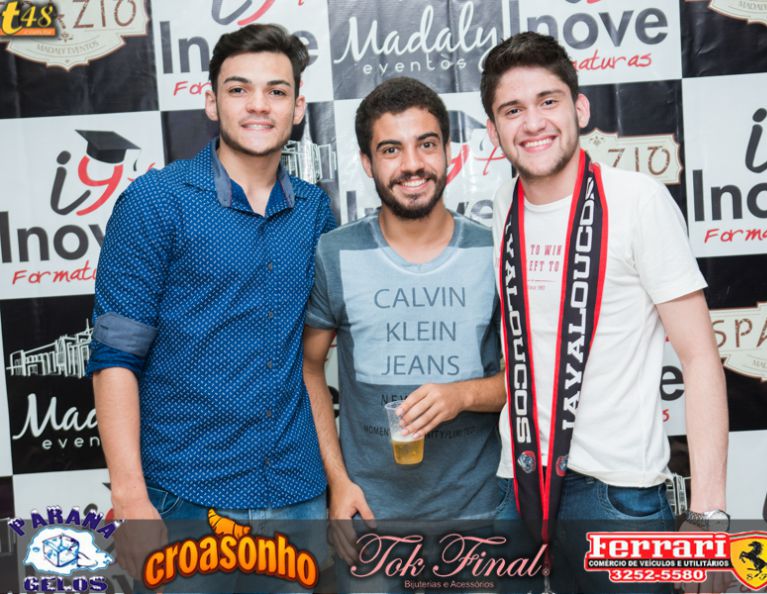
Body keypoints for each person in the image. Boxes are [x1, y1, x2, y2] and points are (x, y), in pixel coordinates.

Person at [87, 23, 335, 587]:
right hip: (185, 500)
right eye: (239, 88)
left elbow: (314, 357)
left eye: (276, 91)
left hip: (297, 497)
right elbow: (115, 355)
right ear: (210, 101)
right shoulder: (156, 201)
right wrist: (130, 497)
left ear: (297, 109)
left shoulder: (315, 211)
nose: (258, 105)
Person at [481, 32, 728, 592]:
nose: (533, 122)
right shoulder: (504, 205)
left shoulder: (638, 200)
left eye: (548, 101)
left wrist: (709, 514)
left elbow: (699, 357)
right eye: (512, 110)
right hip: (517, 483)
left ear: (580, 109)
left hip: (618, 495)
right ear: (494, 132)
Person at [302, 77, 507, 563]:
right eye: (391, 150)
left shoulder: (495, 249)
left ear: (449, 153)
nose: (412, 164)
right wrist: (338, 482)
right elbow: (309, 367)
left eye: (426, 145)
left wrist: (461, 396)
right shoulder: (334, 252)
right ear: (366, 163)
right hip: (370, 516)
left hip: (480, 515)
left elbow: (531, 381)